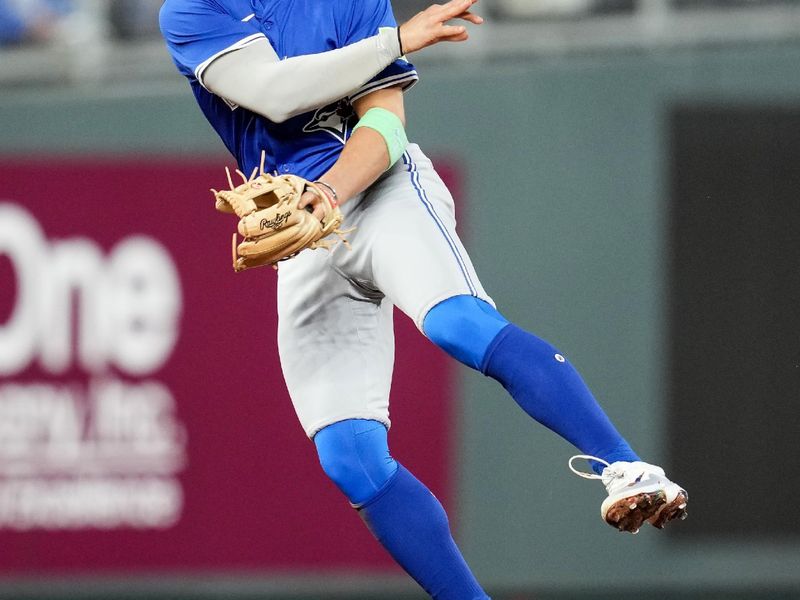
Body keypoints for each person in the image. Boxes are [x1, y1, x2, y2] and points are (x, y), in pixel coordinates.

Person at [159, 1, 688, 597]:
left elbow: (384, 125)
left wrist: (330, 190)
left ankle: (627, 467)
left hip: (377, 191)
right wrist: (397, 40)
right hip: (300, 225)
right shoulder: (192, 10)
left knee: (455, 322)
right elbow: (275, 92)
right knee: (348, 455)